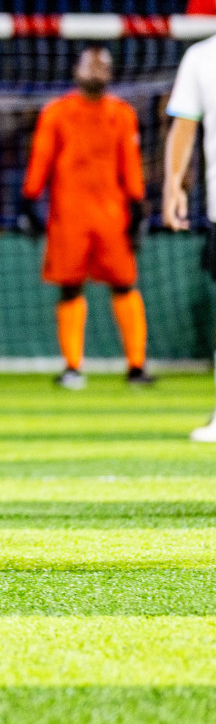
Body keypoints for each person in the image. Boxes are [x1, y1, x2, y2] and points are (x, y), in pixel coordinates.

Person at [22, 47, 149, 390]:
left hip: (112, 214)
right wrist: (30, 198)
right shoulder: (56, 113)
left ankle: (136, 367)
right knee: (70, 286)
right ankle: (72, 367)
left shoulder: (122, 114)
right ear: (76, 70)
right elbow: (42, 158)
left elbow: (131, 164)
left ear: (111, 74)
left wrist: (137, 206)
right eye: (90, 64)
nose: (96, 71)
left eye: (103, 66)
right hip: (69, 215)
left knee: (124, 284)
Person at [162, 35, 216, 440]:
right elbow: (184, 124)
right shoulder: (200, 56)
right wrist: (173, 185)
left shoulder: (202, 55)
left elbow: (184, 125)